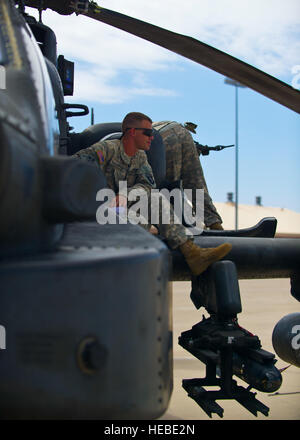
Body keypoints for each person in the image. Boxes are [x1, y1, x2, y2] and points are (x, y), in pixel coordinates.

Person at [73, 112, 231, 276]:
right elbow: (73, 166)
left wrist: (127, 195)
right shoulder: (106, 149)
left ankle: (193, 254)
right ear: (132, 132)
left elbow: (147, 185)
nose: (152, 137)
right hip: (97, 210)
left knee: (155, 199)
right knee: (137, 221)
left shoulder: (140, 157)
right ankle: (150, 231)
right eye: (148, 133)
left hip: (120, 209)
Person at [152, 121, 223, 230]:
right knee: (196, 183)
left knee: (168, 188)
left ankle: (177, 230)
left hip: (162, 138)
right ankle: (214, 223)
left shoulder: (130, 135)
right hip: (182, 131)